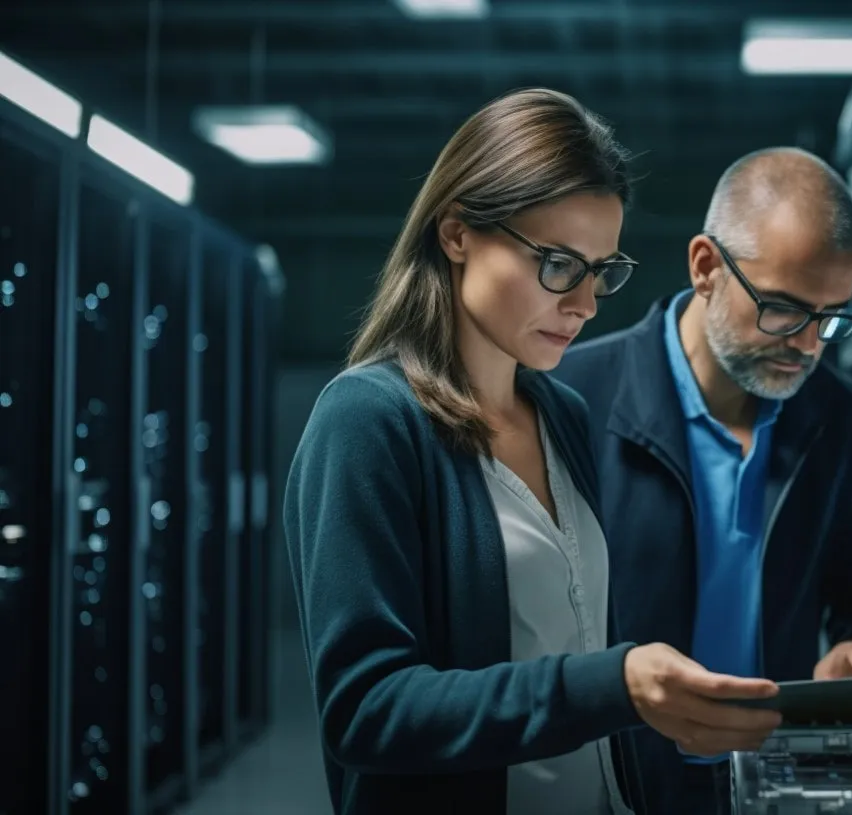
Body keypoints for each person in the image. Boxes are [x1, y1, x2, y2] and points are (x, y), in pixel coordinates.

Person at [283, 89, 784, 815]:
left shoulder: (561, 413)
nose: (584, 303)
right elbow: (365, 708)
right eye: (558, 264)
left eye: (602, 270)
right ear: (457, 234)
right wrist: (611, 684)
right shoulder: (367, 421)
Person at [554, 146, 852, 814]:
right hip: (607, 788)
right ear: (705, 267)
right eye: (782, 309)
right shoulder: (570, 398)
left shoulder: (843, 422)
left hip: (773, 784)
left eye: (831, 316)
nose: (806, 345)